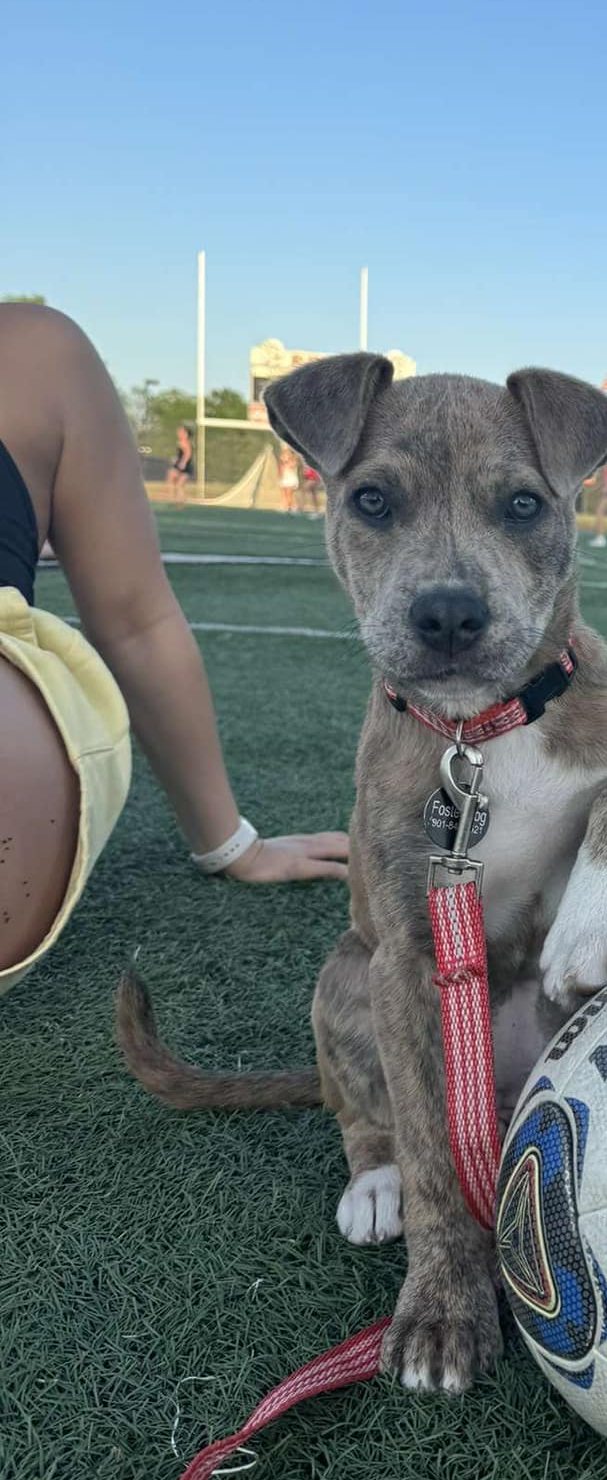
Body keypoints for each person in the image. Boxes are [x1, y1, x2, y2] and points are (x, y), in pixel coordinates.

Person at [0, 303, 349, 995]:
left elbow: (137, 623)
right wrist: (231, 844)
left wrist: (231, 842)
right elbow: (136, 622)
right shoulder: (34, 353)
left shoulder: (33, 353)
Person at [166, 423, 194, 504]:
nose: (178, 433)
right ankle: (176, 501)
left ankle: (175, 500)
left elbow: (188, 453)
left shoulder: (184, 442)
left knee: (177, 484)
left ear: (186, 434)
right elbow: (182, 454)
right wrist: (176, 459)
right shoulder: (182, 442)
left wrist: (183, 463)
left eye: (181, 432)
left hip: (184, 466)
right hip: (182, 465)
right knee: (174, 482)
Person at [277, 444, 301, 513]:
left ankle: (288, 507)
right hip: (285, 479)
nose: (284, 456)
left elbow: (292, 466)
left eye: (286, 454)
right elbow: (281, 470)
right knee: (284, 494)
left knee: (289, 494)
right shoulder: (282, 462)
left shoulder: (293, 460)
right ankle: (291, 507)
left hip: (291, 480)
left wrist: (287, 461)